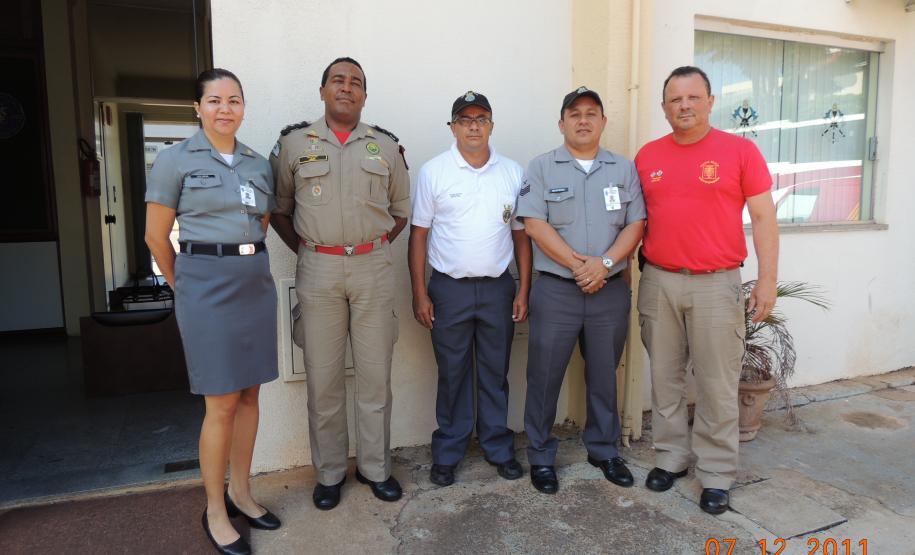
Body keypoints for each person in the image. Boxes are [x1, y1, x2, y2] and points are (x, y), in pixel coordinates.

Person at [145, 68, 281, 555]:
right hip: (204, 285)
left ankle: (242, 492)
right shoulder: (174, 160)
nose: (226, 108)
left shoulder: (256, 164)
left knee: (249, 396)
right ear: (198, 108)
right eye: (216, 100)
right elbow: (156, 237)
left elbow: (260, 221)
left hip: (253, 284)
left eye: (235, 100)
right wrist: (185, 285)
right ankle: (215, 509)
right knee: (220, 402)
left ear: (244, 107)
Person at [634, 66, 778, 515]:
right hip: (658, 279)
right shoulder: (647, 156)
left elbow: (764, 218)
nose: (685, 106)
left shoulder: (739, 152)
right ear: (664, 107)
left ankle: (715, 474)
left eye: (694, 97)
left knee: (716, 384)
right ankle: (671, 458)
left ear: (710, 102)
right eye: (675, 99)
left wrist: (768, 280)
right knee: (665, 378)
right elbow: (633, 222)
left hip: (717, 284)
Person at [269, 57, 411, 510]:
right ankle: (329, 473)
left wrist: (367, 248)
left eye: (355, 83)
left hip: (372, 268)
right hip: (319, 271)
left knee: (375, 378)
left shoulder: (385, 147)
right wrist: (315, 250)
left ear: (365, 95)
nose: (346, 88)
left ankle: (375, 469)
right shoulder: (294, 144)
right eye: (338, 81)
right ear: (323, 90)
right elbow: (280, 209)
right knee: (324, 379)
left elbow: (401, 212)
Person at [516, 87, 646, 494]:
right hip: (556, 290)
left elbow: (635, 224)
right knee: (544, 376)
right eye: (575, 114)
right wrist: (579, 266)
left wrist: (603, 265)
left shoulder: (623, 170)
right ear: (562, 123)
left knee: (605, 375)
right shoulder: (541, 168)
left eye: (592, 113)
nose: (584, 120)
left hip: (608, 291)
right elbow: (534, 224)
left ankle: (604, 449)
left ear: (603, 122)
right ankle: (540, 455)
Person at [408, 91, 532, 487]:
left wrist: (523, 289)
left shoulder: (512, 172)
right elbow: (418, 235)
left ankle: (498, 447)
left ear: (492, 125)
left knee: (495, 373)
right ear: (453, 127)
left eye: (481, 118)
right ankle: (449, 451)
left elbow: (521, 237)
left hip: (497, 288)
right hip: (449, 290)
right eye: (465, 119)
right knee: (453, 373)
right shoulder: (434, 172)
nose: (473, 126)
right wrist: (420, 292)